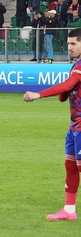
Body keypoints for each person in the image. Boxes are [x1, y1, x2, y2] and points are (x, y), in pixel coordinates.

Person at [22, 28, 81, 220]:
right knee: (70, 166)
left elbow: (66, 86)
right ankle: (69, 211)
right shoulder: (76, 66)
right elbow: (66, 91)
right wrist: (67, 91)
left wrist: (38, 94)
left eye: (74, 44)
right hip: (74, 126)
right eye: (69, 43)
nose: (69, 47)